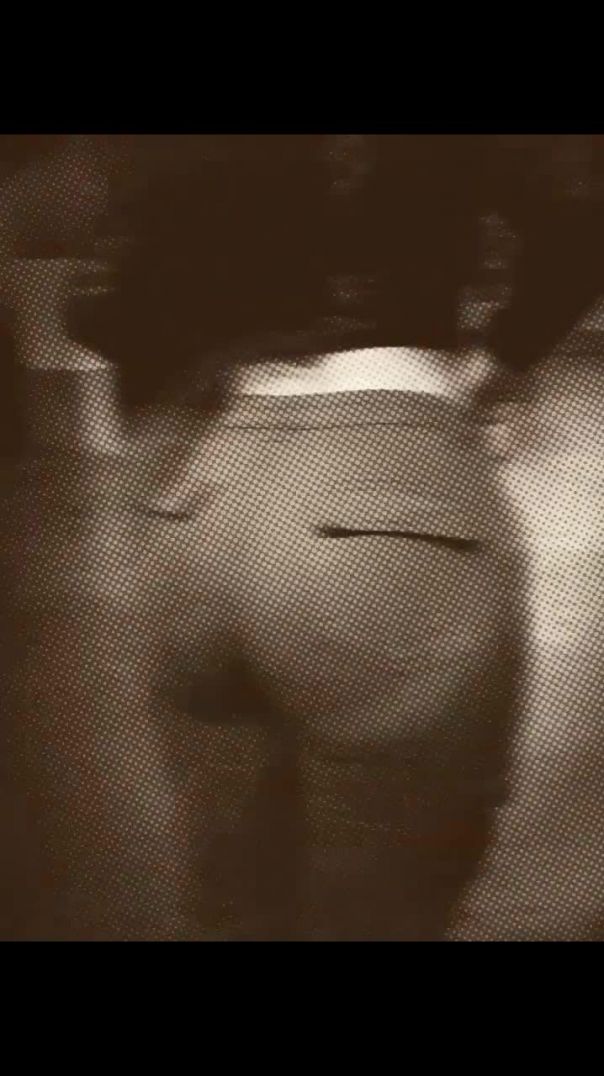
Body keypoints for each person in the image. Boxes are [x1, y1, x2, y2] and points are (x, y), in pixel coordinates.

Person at [69, 135, 527, 940]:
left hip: (209, 486)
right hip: (391, 470)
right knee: (389, 905)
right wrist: (502, 358)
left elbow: (106, 304)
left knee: (230, 892)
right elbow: (578, 217)